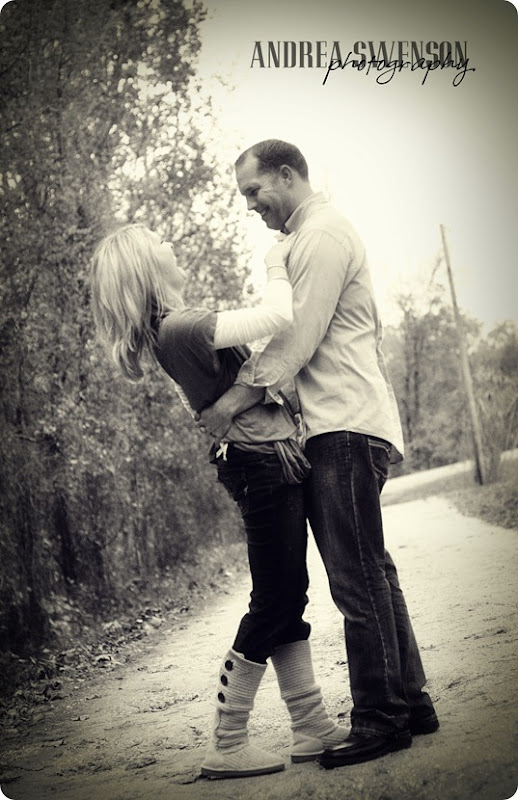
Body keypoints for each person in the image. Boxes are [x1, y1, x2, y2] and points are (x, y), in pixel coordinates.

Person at [197, 139, 440, 769]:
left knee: (356, 576)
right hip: (344, 422)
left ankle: (381, 719)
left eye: (254, 191)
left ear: (286, 175)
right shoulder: (306, 239)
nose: (250, 205)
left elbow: (295, 338)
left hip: (343, 425)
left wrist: (230, 404)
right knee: (373, 569)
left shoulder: (322, 236)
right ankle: (412, 703)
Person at [89, 223, 348, 780]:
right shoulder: (183, 326)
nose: (170, 245)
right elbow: (278, 315)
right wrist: (278, 260)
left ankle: (310, 725)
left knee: (288, 595)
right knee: (275, 599)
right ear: (147, 267)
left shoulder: (174, 329)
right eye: (160, 242)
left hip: (263, 458)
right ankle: (228, 742)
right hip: (260, 463)